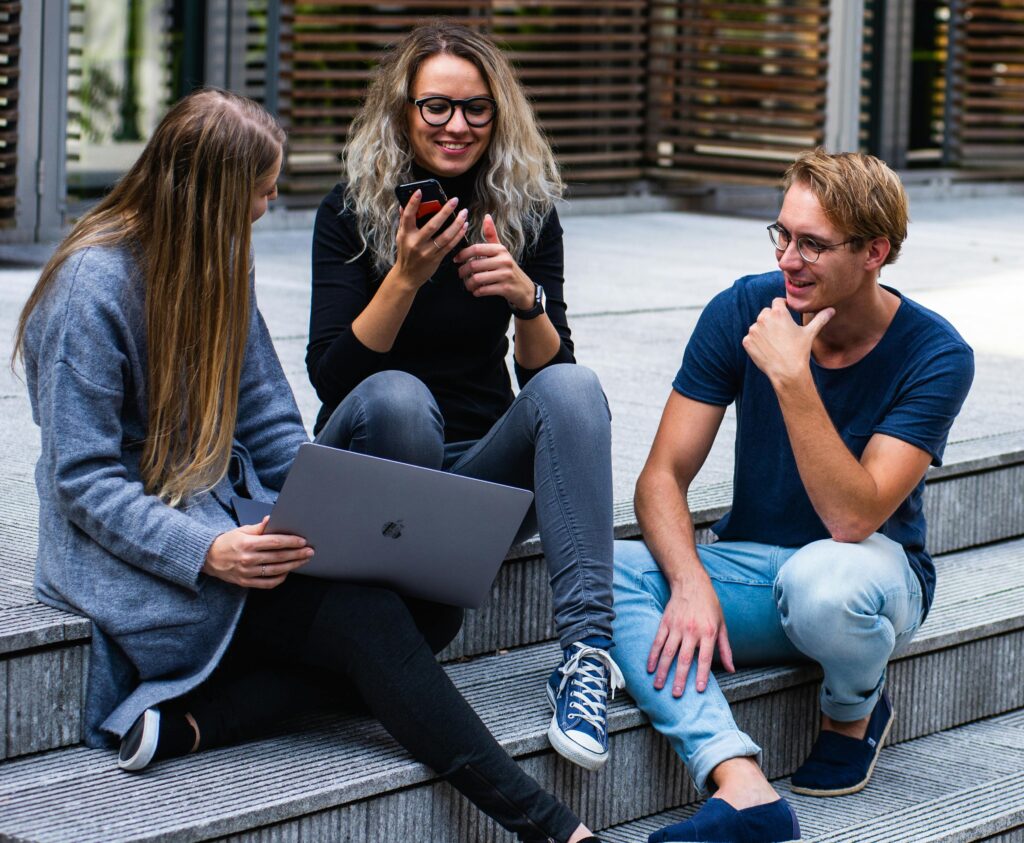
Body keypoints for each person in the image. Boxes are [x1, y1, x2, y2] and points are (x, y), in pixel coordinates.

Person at [15, 88, 603, 843]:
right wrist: (208, 550)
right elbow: (84, 480)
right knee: (368, 619)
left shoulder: (218, 260)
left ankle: (202, 720)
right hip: (143, 559)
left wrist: (316, 512)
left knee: (432, 611)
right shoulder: (88, 289)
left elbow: (269, 421)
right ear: (211, 192)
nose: (264, 210)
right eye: (258, 194)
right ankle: (550, 825)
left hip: (234, 526)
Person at [612, 149, 974, 842]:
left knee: (824, 581)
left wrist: (793, 378)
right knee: (605, 568)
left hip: (868, 575)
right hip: (752, 568)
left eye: (812, 243)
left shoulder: (937, 353)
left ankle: (853, 706)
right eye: (781, 234)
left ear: (875, 251)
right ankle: (739, 782)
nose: (788, 258)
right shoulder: (743, 307)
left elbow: (853, 515)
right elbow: (661, 476)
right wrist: (688, 581)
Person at [307, 20, 622, 773]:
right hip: (375, 464)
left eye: (476, 108)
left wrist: (526, 300)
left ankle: (585, 658)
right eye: (436, 107)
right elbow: (332, 378)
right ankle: (392, 628)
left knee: (574, 387)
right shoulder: (349, 211)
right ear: (403, 111)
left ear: (499, 113)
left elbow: (552, 384)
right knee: (399, 399)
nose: (457, 126)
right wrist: (406, 276)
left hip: (475, 481)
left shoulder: (526, 210)